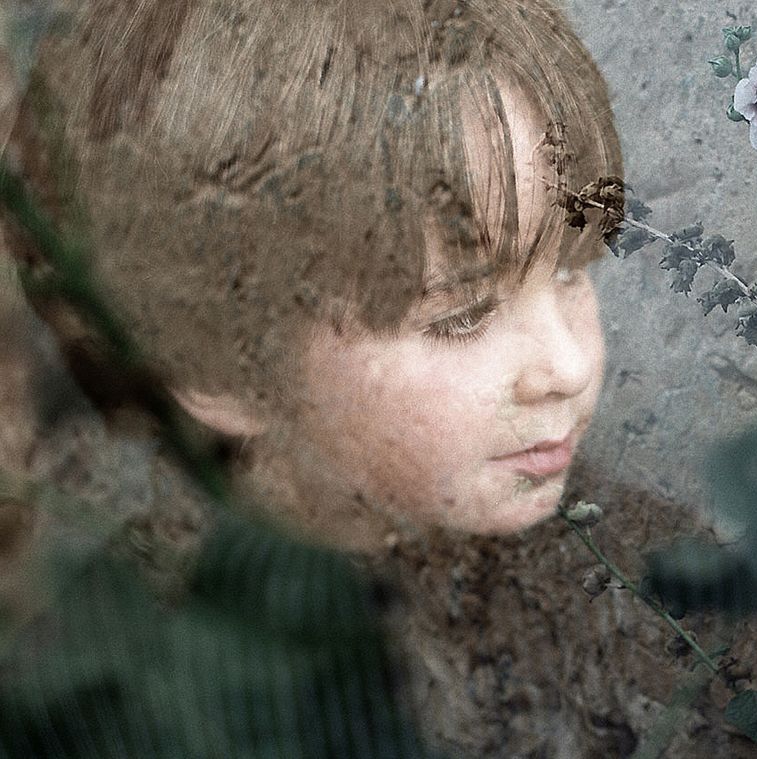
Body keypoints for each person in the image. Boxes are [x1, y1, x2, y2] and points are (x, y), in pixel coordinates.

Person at [2, 0, 623, 548]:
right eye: (463, 316)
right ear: (222, 367)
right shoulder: (143, 649)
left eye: (572, 270)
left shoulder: (631, 556)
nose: (568, 367)